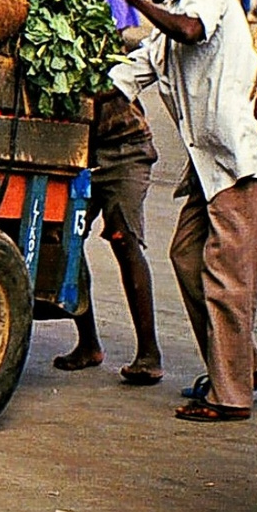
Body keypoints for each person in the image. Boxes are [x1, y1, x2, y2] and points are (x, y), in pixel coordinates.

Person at [113, 0, 257, 422]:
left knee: (227, 275)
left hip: (243, 159)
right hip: (210, 166)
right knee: (185, 257)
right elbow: (130, 74)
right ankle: (249, 364)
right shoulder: (165, 30)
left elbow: (192, 29)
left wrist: (137, 3)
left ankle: (231, 395)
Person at [52, 91, 164, 385]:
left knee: (124, 239)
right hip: (74, 147)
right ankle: (88, 343)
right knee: (66, 239)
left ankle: (149, 354)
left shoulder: (111, 46)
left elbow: (121, 80)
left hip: (125, 148)